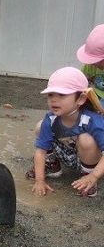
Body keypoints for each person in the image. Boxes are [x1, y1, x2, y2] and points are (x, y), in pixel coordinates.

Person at [25, 67, 104, 197]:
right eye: (50, 94)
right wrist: (40, 180)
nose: (54, 100)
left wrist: (94, 176)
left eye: (62, 94)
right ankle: (52, 165)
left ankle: (88, 178)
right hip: (68, 155)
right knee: (40, 126)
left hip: (90, 160)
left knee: (86, 139)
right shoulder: (51, 119)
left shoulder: (92, 120)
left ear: (81, 99)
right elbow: (40, 150)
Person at [76, 24, 104, 105]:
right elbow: (81, 83)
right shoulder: (88, 66)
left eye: (98, 60)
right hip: (94, 96)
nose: (93, 63)